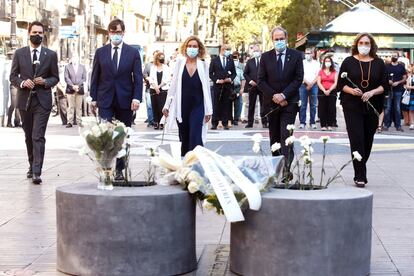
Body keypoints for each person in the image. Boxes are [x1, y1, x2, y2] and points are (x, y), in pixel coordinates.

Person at [90, 19, 142, 181]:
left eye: (118, 32)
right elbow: (95, 76)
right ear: (108, 33)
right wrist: (93, 98)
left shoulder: (132, 53)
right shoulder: (101, 52)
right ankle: (106, 167)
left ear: (123, 33)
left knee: (122, 136)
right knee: (105, 134)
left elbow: (138, 77)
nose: (115, 35)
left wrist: (136, 98)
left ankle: (120, 169)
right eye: (112, 32)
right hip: (105, 99)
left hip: (125, 100)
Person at [9, 21, 59, 184]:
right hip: (25, 101)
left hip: (43, 101)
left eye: (40, 33)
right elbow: (13, 76)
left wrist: (45, 81)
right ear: (28, 33)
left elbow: (55, 77)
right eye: (34, 32)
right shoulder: (19, 53)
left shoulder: (50, 55)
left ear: (43, 35)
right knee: (29, 136)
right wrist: (23, 83)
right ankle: (31, 165)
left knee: (38, 135)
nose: (37, 35)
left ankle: (37, 171)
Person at [337, 33, 388, 188]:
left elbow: (385, 85)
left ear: (371, 45)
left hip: (373, 106)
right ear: (356, 44)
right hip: (352, 106)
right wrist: (353, 91)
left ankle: (361, 166)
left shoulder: (379, 63)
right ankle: (360, 175)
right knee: (357, 138)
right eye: (361, 42)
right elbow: (341, 84)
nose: (364, 45)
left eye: (367, 43)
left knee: (367, 139)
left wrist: (372, 92)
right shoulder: (348, 61)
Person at [257, 26, 303, 168]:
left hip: (289, 103)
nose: (279, 41)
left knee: (286, 135)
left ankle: (287, 170)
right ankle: (276, 167)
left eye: (281, 39)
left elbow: (298, 78)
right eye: (276, 39)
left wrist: (284, 95)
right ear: (272, 40)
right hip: (271, 104)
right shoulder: (265, 57)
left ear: (286, 39)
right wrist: (275, 96)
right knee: (275, 137)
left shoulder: (296, 55)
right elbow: (260, 80)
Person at [162, 36, 213, 156]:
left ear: (199, 49)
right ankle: (185, 167)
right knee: (184, 138)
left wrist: (209, 110)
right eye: (190, 46)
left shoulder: (203, 65)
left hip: (198, 106)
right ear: (185, 48)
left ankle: (196, 164)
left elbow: (206, 88)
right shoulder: (179, 63)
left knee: (195, 136)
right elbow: (173, 86)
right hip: (182, 106)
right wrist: (167, 106)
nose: (192, 48)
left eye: (195, 46)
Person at [209, 44, 236, 130]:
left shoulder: (230, 60)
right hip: (217, 86)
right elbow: (210, 73)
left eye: (229, 49)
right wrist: (216, 80)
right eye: (227, 49)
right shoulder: (214, 60)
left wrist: (230, 79)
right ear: (222, 50)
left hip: (227, 86)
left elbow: (234, 73)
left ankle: (225, 123)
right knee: (216, 104)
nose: (228, 51)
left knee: (226, 104)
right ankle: (214, 123)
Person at [244, 45, 268, 128]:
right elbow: (245, 73)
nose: (255, 52)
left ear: (260, 51)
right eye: (254, 51)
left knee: (264, 105)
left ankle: (265, 122)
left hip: (262, 87)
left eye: (257, 51)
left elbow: (268, 73)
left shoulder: (265, 61)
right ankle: (250, 122)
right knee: (251, 105)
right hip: (252, 87)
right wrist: (250, 81)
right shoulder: (250, 61)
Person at [383, 53, 407, 132]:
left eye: (395, 56)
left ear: (398, 57)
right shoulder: (387, 66)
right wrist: (388, 81)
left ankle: (398, 125)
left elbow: (404, 78)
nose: (394, 57)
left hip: (398, 90)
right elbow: (383, 76)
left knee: (397, 108)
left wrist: (398, 82)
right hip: (388, 90)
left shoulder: (401, 67)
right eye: (392, 56)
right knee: (387, 108)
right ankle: (386, 125)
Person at [299, 48, 320, 129]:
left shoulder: (316, 63)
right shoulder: (302, 63)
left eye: (309, 53)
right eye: (306, 53)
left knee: (313, 105)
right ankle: (302, 122)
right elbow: (300, 74)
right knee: (303, 105)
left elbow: (318, 75)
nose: (307, 55)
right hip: (303, 85)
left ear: (312, 54)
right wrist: (307, 83)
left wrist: (311, 84)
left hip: (314, 85)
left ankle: (312, 122)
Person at [148, 52, 170, 130]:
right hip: (153, 89)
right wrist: (155, 87)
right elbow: (151, 78)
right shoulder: (153, 67)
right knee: (154, 106)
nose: (162, 58)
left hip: (163, 89)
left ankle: (162, 122)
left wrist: (159, 86)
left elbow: (167, 79)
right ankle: (156, 122)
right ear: (157, 58)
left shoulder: (166, 67)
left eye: (163, 57)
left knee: (162, 106)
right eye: (160, 57)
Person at [64, 55, 86, 128]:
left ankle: (79, 121)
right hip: (70, 89)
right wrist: (73, 86)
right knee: (70, 106)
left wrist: (78, 86)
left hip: (79, 89)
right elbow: (66, 77)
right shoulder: (67, 67)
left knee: (79, 107)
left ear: (78, 59)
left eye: (76, 57)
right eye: (73, 57)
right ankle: (70, 122)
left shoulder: (82, 67)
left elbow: (84, 78)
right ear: (71, 59)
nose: (74, 59)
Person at [317, 56, 338, 131]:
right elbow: (319, 82)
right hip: (322, 92)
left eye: (329, 61)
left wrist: (329, 90)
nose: (327, 62)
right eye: (326, 61)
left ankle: (329, 124)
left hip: (332, 92)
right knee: (322, 108)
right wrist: (324, 90)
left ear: (331, 62)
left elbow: (335, 82)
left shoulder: (334, 71)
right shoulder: (321, 71)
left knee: (331, 108)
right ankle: (323, 125)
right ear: (324, 62)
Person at [143, 51, 159, 127]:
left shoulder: (163, 65)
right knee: (149, 106)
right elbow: (145, 74)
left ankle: (157, 121)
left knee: (158, 106)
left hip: (160, 89)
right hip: (149, 89)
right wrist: (149, 80)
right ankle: (151, 120)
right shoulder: (148, 65)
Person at [231, 51, 245, 126]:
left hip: (237, 87)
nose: (234, 58)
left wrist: (242, 88)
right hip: (230, 87)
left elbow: (243, 78)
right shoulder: (229, 65)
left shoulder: (241, 67)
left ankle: (236, 119)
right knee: (229, 104)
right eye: (233, 56)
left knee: (238, 104)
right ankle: (230, 119)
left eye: (236, 56)